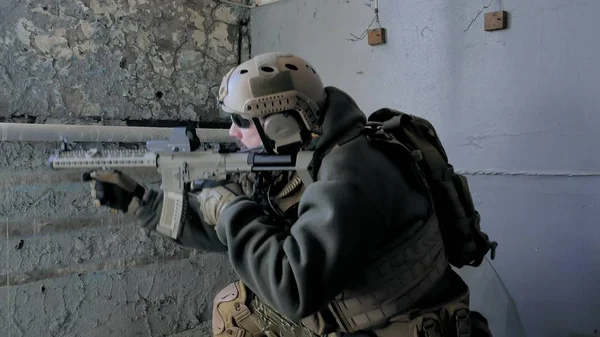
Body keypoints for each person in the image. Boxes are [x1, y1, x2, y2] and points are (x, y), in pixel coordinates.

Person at [87, 52, 494, 337]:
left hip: (404, 325)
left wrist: (229, 207)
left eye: (241, 123)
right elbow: (234, 230)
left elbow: (293, 288)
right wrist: (140, 200)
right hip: (391, 310)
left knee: (236, 308)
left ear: (281, 124)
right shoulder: (321, 151)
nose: (231, 133)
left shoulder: (349, 174)